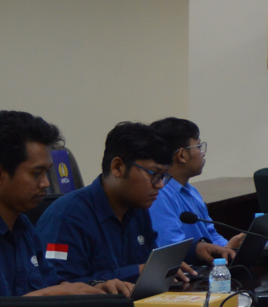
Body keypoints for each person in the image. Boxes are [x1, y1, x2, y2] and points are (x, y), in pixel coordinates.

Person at [0, 111, 131, 296]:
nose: (46, 183)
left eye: (46, 172)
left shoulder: (24, 227)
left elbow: (54, 286)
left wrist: (95, 287)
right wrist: (44, 297)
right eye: (36, 173)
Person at [34, 121, 182, 286]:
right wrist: (135, 272)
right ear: (117, 167)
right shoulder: (67, 217)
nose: (160, 184)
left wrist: (163, 270)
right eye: (154, 174)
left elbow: (147, 268)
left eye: (163, 176)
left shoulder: (138, 209)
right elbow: (57, 287)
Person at [148, 117, 245, 265]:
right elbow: (173, 250)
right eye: (199, 146)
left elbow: (210, 234)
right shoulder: (159, 195)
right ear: (182, 155)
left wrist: (228, 249)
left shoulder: (191, 191)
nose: (203, 153)